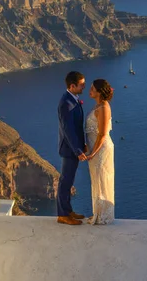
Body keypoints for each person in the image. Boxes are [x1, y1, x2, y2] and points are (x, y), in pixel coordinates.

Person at [56, 71, 87, 225]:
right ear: (72, 86)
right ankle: (62, 215)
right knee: (65, 182)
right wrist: (78, 150)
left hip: (73, 148)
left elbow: (77, 128)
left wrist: (83, 145)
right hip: (69, 150)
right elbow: (68, 130)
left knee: (69, 181)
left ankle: (68, 211)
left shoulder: (72, 99)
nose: (84, 87)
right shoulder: (66, 104)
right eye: (82, 84)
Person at [85, 79, 115, 225]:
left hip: (101, 150)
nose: (89, 90)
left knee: (102, 179)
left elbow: (102, 134)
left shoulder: (103, 107)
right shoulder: (99, 105)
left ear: (98, 91)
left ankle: (103, 216)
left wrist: (92, 153)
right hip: (95, 148)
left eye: (92, 88)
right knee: (97, 179)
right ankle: (98, 213)